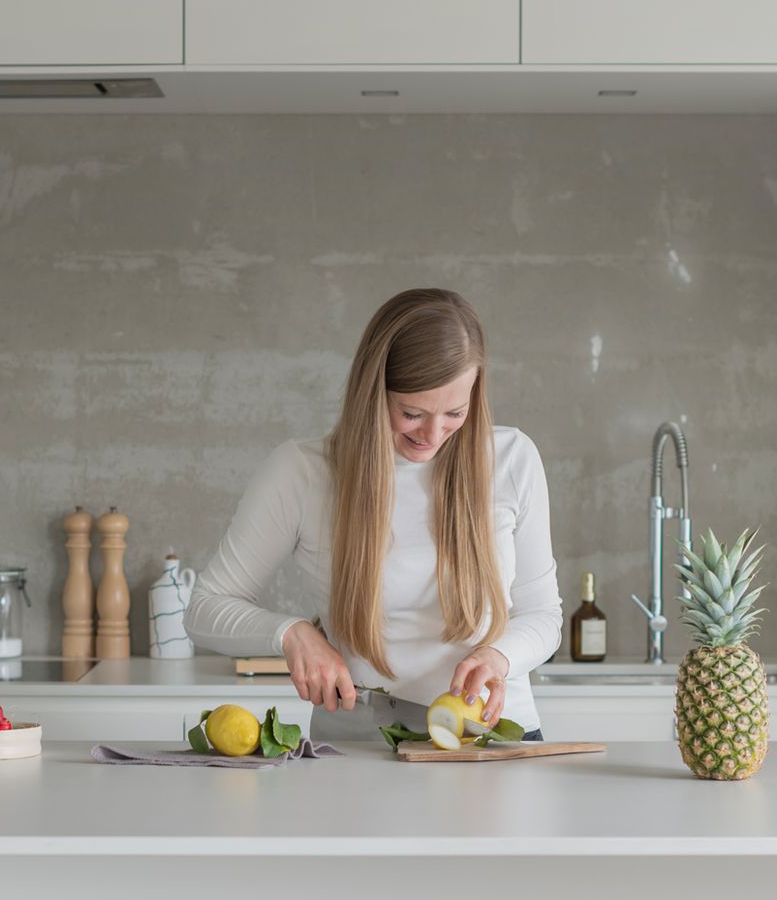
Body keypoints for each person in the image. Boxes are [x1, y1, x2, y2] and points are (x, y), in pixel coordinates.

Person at [185, 288, 562, 742]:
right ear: (373, 392)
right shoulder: (302, 472)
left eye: (455, 413)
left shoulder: (512, 459)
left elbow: (543, 616)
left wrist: (500, 656)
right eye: (412, 413)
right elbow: (205, 607)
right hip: (358, 746)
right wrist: (291, 633)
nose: (434, 434)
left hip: (492, 740)